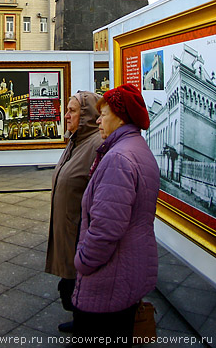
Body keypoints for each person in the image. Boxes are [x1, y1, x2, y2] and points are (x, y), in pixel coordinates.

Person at [70, 84, 160, 347]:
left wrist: (83, 261)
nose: (98, 120)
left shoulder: (119, 157)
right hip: (127, 268)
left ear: (121, 117)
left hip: (109, 276)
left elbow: (106, 229)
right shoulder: (136, 148)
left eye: (105, 114)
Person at [45, 91, 102, 332]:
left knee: (81, 283)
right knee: (71, 283)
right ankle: (80, 321)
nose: (66, 115)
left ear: (87, 115)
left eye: (73, 111)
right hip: (68, 228)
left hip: (80, 232)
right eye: (66, 110)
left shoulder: (97, 145)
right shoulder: (75, 141)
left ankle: (86, 330)